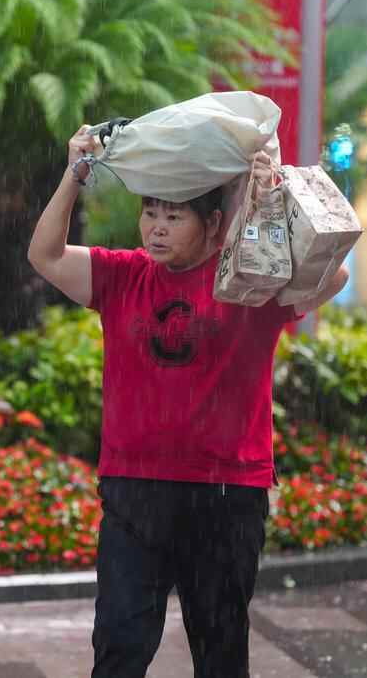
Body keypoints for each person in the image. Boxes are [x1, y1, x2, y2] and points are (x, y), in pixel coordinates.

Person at [28, 125, 350, 678]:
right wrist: (74, 173)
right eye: (150, 212)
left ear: (214, 224)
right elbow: (45, 255)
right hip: (135, 491)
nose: (156, 228)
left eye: (174, 216)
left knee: (221, 653)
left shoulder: (251, 281)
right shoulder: (122, 275)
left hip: (227, 493)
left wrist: (270, 198)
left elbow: (333, 271)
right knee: (119, 646)